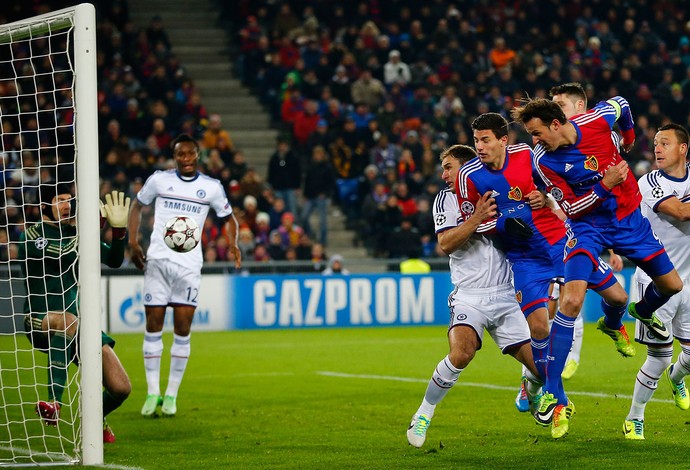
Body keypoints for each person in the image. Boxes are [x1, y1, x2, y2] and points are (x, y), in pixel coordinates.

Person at [512, 96, 683, 437]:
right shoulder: (544, 161)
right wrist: (605, 185)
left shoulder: (597, 120)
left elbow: (621, 104)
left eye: (537, 133)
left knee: (672, 286)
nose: (535, 141)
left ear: (556, 124)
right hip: (587, 228)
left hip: (629, 222)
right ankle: (555, 395)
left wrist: (630, 136)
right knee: (571, 301)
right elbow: (574, 210)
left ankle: (630, 314)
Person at [459, 112, 631, 439]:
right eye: (476, 140)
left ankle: (609, 325)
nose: (479, 146)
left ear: (503, 141)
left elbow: (553, 188)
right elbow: (474, 224)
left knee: (618, 297)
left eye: (485, 140)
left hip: (558, 241)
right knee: (539, 324)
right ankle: (556, 398)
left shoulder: (528, 154)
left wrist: (543, 196)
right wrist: (501, 225)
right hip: (523, 258)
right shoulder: (469, 176)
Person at [406, 144, 542, 448]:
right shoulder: (448, 198)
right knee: (462, 353)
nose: (443, 175)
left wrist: (538, 203)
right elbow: (446, 243)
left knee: (543, 368)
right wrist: (478, 217)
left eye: (449, 166)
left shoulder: (503, 189)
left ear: (468, 169)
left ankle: (531, 393)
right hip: (470, 296)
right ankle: (424, 413)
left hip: (506, 295)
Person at [128, 134, 241, 418]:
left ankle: (172, 395)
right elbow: (136, 205)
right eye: (181, 154)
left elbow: (229, 218)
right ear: (174, 156)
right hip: (157, 262)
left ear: (198, 155)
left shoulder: (211, 187)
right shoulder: (159, 180)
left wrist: (233, 243)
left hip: (189, 267)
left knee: (182, 329)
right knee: (153, 326)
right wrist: (132, 241)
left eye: (190, 154)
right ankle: (152, 392)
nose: (186, 159)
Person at [22, 184, 132, 443]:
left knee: (121, 387)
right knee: (67, 321)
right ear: (45, 206)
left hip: (77, 325)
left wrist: (118, 232)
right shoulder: (34, 234)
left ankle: (94, 417)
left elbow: (114, 260)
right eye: (59, 200)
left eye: (69, 200)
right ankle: (54, 402)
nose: (66, 205)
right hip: (40, 319)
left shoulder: (78, 233)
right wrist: (93, 227)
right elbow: (60, 252)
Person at [549, 82, 625, 379]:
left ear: (580, 107)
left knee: (574, 300)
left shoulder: (606, 138)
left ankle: (570, 359)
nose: (556, 115)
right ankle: (533, 376)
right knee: (549, 309)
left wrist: (613, 247)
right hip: (549, 241)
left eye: (562, 106)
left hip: (578, 237)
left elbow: (613, 200)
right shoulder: (547, 150)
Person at [624, 123, 690, 440]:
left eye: (665, 143)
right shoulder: (649, 182)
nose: (657, 148)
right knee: (660, 356)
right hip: (656, 281)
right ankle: (635, 417)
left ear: (683, 148)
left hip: (689, 281)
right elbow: (679, 212)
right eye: (655, 143)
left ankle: (677, 379)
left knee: (687, 357)